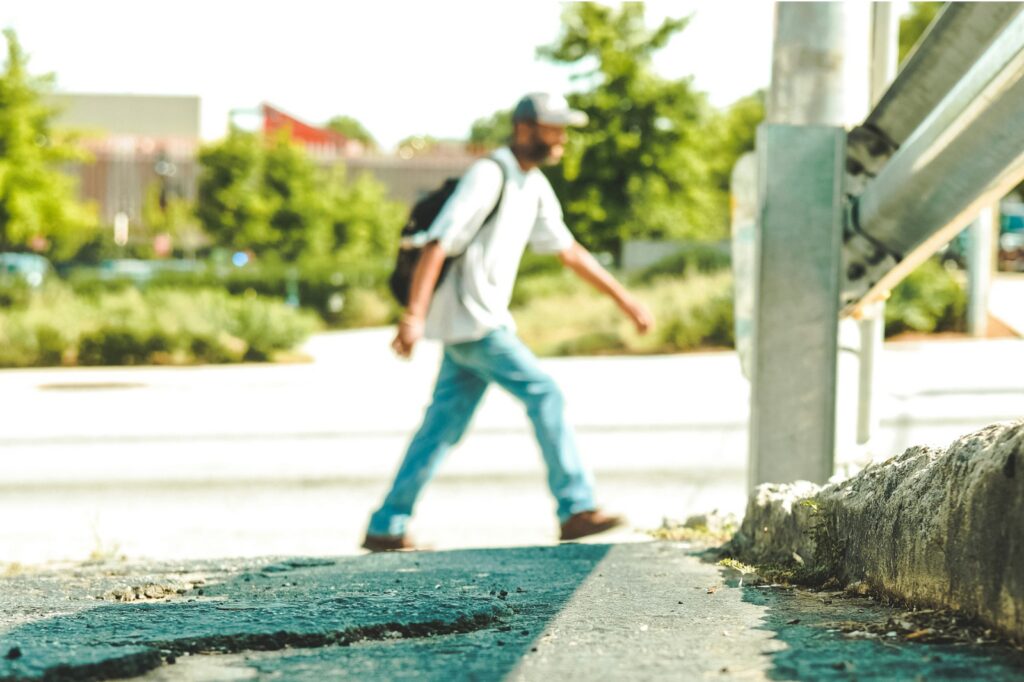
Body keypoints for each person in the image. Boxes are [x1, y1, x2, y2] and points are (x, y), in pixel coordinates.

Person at [363, 92, 654, 552]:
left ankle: (387, 524)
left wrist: (628, 301)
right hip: (476, 322)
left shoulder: (532, 183)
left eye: (563, 129)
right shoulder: (489, 174)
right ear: (524, 129)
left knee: (440, 427)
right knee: (545, 392)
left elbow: (568, 250)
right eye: (552, 129)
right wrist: (413, 316)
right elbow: (439, 243)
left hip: (473, 325)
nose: (561, 138)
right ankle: (576, 507)